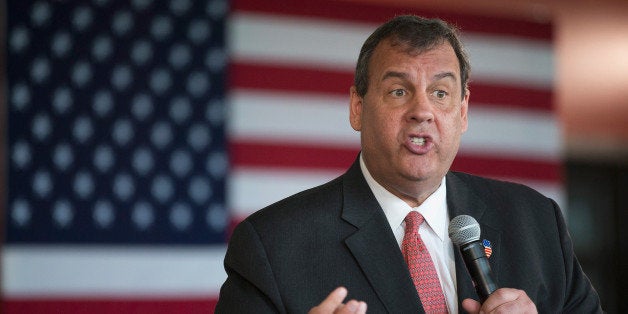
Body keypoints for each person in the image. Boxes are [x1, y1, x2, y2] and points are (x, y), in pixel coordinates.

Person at [215, 15, 603, 313]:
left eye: (440, 92)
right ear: (357, 107)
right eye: (398, 91)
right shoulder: (272, 246)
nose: (422, 111)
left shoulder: (537, 223)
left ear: (463, 111)